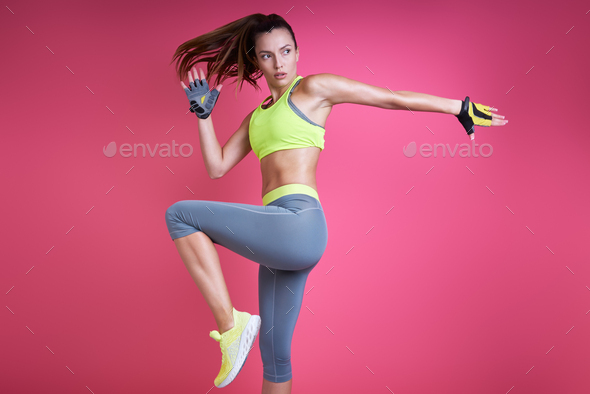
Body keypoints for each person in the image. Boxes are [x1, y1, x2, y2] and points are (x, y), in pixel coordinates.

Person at [165, 13, 508, 394]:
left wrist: (458, 107)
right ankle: (242, 334)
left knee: (180, 214)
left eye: (286, 51)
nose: (279, 63)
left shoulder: (313, 89)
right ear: (256, 61)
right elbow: (217, 167)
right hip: (278, 235)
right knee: (275, 355)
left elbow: (389, 98)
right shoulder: (255, 117)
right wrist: (204, 117)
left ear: (297, 52)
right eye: (267, 56)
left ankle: (231, 326)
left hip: (298, 223)